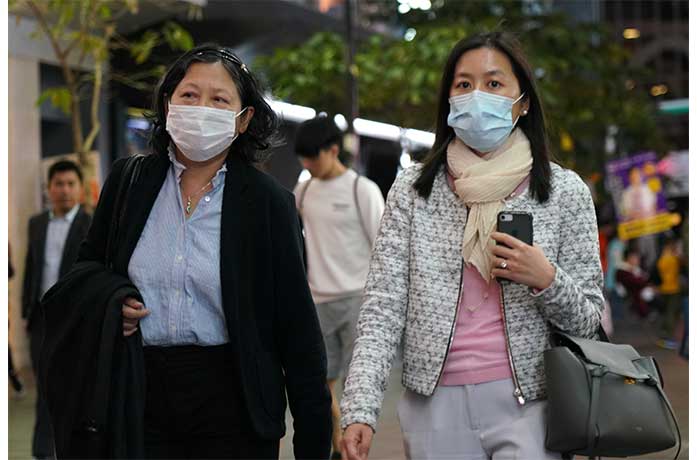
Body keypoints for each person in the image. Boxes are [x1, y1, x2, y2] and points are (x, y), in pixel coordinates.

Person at [340, 32, 604, 460]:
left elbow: (589, 321)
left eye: (494, 83)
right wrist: (360, 408)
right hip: (433, 407)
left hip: (532, 404)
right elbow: (383, 308)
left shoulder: (564, 192)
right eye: (464, 84)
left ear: (524, 102)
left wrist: (547, 279)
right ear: (448, 99)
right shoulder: (413, 189)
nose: (477, 95)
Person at [74, 43, 331, 459]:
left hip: (235, 402)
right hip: (140, 394)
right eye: (190, 95)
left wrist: (313, 443)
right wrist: (112, 299)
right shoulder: (128, 183)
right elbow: (86, 268)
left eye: (219, 100)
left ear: (243, 119)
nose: (201, 108)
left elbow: (297, 330)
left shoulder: (269, 203)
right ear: (168, 105)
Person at [293, 115, 385, 458]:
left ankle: (347, 449)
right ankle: (338, 445)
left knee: (355, 386)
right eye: (302, 158)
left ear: (333, 150)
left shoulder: (362, 190)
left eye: (313, 157)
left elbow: (383, 248)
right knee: (320, 385)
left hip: (357, 299)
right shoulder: (303, 192)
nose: (307, 164)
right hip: (317, 301)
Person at [22, 160, 91, 459]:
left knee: (74, 388)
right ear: (49, 188)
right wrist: (25, 312)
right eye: (58, 184)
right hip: (41, 319)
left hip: (75, 321)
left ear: (80, 188)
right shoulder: (37, 223)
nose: (64, 190)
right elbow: (31, 267)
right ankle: (43, 452)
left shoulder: (91, 225)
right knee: (44, 388)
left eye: (70, 184)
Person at [655, 238, 682, 349]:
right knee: (671, 313)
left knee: (666, 312)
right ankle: (667, 338)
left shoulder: (661, 259)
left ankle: (663, 337)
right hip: (673, 289)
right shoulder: (673, 258)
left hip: (664, 288)